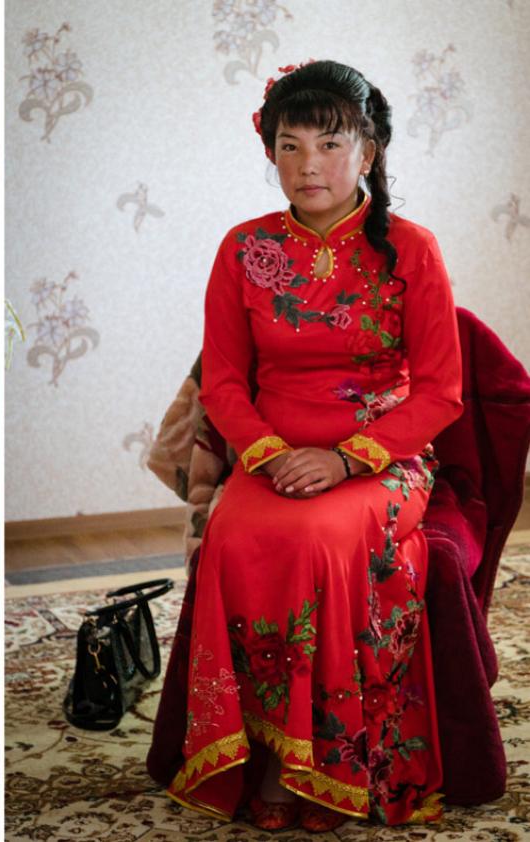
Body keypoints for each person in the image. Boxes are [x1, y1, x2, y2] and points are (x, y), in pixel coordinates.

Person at [159, 60, 462, 831]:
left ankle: (323, 764)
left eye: (329, 144)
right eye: (288, 146)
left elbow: (439, 391)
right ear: (269, 155)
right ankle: (261, 756)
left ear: (369, 150)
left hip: (381, 460)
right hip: (272, 456)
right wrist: (263, 455)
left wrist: (345, 459)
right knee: (232, 536)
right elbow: (223, 382)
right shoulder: (242, 249)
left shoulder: (413, 251)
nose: (307, 165)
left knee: (323, 542)